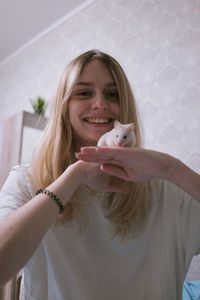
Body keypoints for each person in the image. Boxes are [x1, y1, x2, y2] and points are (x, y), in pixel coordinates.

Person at [0, 49, 200, 300]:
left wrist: (173, 169)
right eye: (84, 92)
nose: (101, 104)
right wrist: (73, 176)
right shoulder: (26, 182)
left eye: (113, 94)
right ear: (64, 106)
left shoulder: (166, 189)